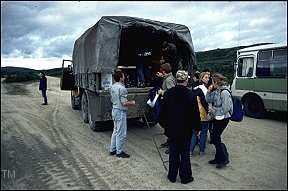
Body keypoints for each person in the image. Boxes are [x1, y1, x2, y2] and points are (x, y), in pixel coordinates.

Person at [159, 70, 201, 184]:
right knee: (184, 153)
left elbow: (162, 112)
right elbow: (195, 114)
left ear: (176, 80)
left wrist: (163, 124)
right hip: (185, 130)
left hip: (171, 129)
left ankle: (172, 176)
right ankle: (185, 178)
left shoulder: (167, 94)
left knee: (173, 153)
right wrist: (198, 128)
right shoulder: (191, 95)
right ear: (186, 81)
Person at [205, 73, 233, 169]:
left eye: (212, 82)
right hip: (217, 117)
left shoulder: (224, 92)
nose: (211, 83)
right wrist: (209, 91)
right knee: (215, 137)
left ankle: (224, 158)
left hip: (224, 118)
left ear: (216, 82)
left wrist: (213, 111)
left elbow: (226, 108)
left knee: (215, 137)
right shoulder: (217, 90)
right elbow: (208, 99)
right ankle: (219, 157)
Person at [109, 69, 136, 158]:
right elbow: (124, 103)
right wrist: (132, 102)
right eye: (123, 75)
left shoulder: (112, 87)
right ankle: (119, 152)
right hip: (120, 111)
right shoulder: (122, 88)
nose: (124, 76)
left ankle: (112, 149)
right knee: (121, 132)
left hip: (114, 110)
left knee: (115, 131)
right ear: (121, 78)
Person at [156, 63, 176, 154]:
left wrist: (162, 92)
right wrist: (162, 76)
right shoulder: (169, 77)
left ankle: (172, 146)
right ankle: (169, 142)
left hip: (169, 105)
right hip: (168, 105)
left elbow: (172, 93)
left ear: (163, 71)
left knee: (169, 126)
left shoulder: (168, 80)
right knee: (167, 125)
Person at [190, 72, 210, 156]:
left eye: (208, 77)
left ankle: (190, 151)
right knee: (204, 132)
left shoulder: (196, 88)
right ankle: (202, 150)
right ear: (201, 78)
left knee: (194, 132)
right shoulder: (203, 89)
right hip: (203, 113)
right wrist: (208, 110)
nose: (208, 79)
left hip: (196, 113)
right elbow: (204, 101)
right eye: (206, 77)